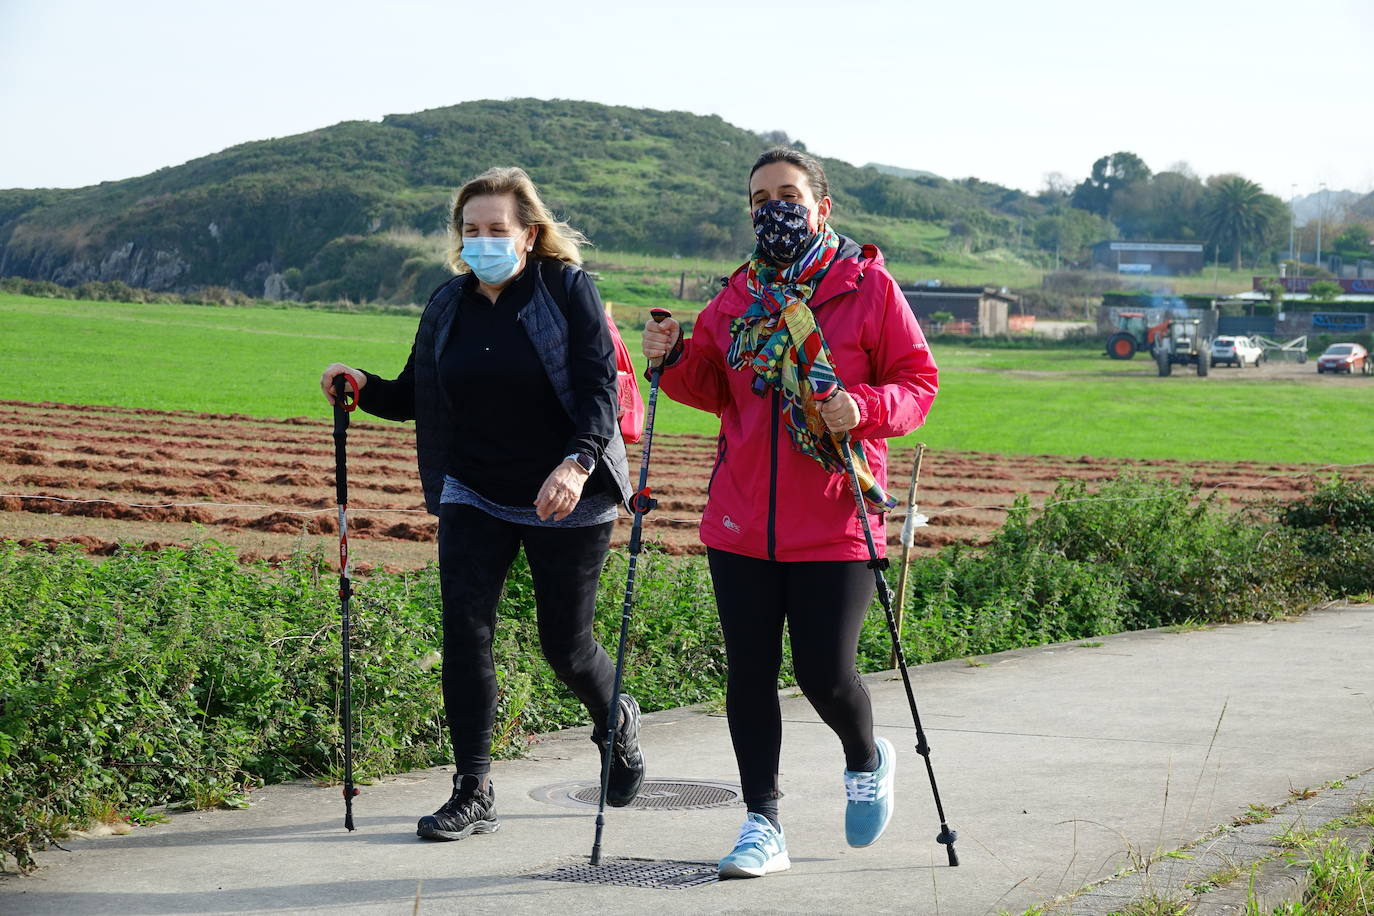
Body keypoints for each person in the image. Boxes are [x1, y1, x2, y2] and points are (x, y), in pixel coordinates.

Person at [320, 166, 645, 842]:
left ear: (528, 234)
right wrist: (361, 384)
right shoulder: (448, 303)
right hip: (474, 488)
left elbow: (598, 391)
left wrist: (577, 463)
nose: (483, 241)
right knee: (465, 635)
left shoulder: (566, 290)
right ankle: (473, 789)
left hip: (568, 490)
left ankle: (615, 719)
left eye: (497, 229)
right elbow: (416, 394)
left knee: (566, 646)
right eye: (471, 230)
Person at [642, 148, 938, 878]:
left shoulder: (867, 287)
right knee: (748, 675)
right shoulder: (735, 297)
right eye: (760, 198)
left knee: (825, 675)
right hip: (740, 521)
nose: (774, 208)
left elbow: (917, 383)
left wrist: (861, 407)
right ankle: (762, 822)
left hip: (837, 519)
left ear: (821, 207)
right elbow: (715, 388)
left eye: (788, 195)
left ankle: (866, 758)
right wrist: (671, 358)